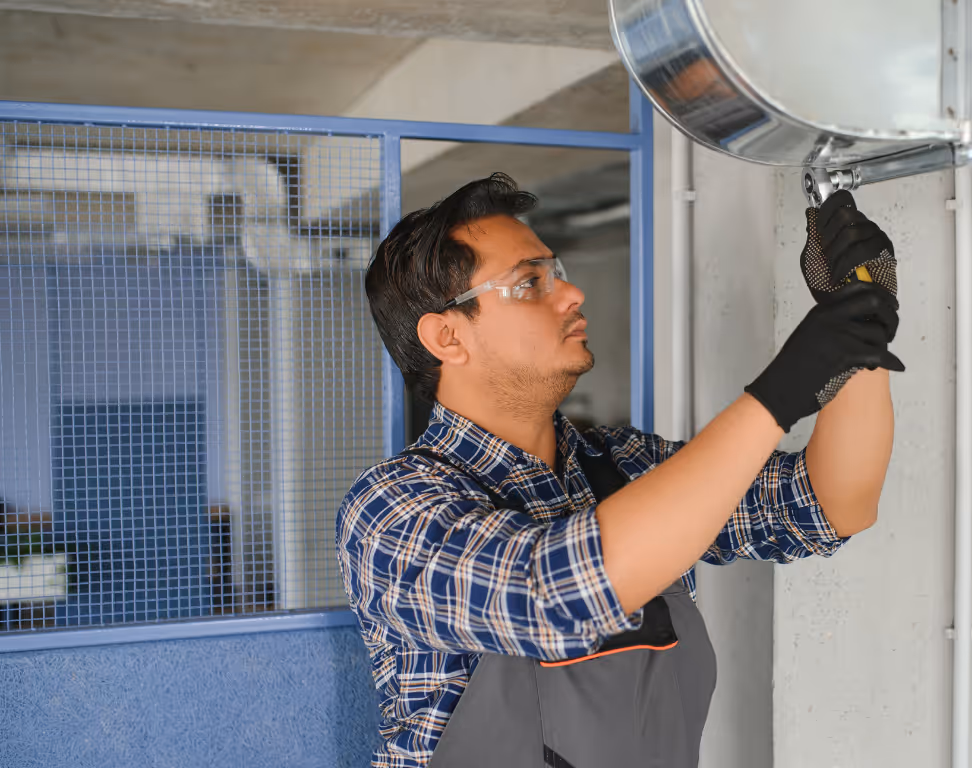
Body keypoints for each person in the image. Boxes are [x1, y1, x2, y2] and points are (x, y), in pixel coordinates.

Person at [337, 172, 902, 768]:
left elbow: (829, 503)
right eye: (529, 282)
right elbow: (554, 594)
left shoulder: (621, 465)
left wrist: (857, 327)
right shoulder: (393, 507)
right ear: (447, 336)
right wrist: (778, 394)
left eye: (556, 271)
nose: (571, 293)